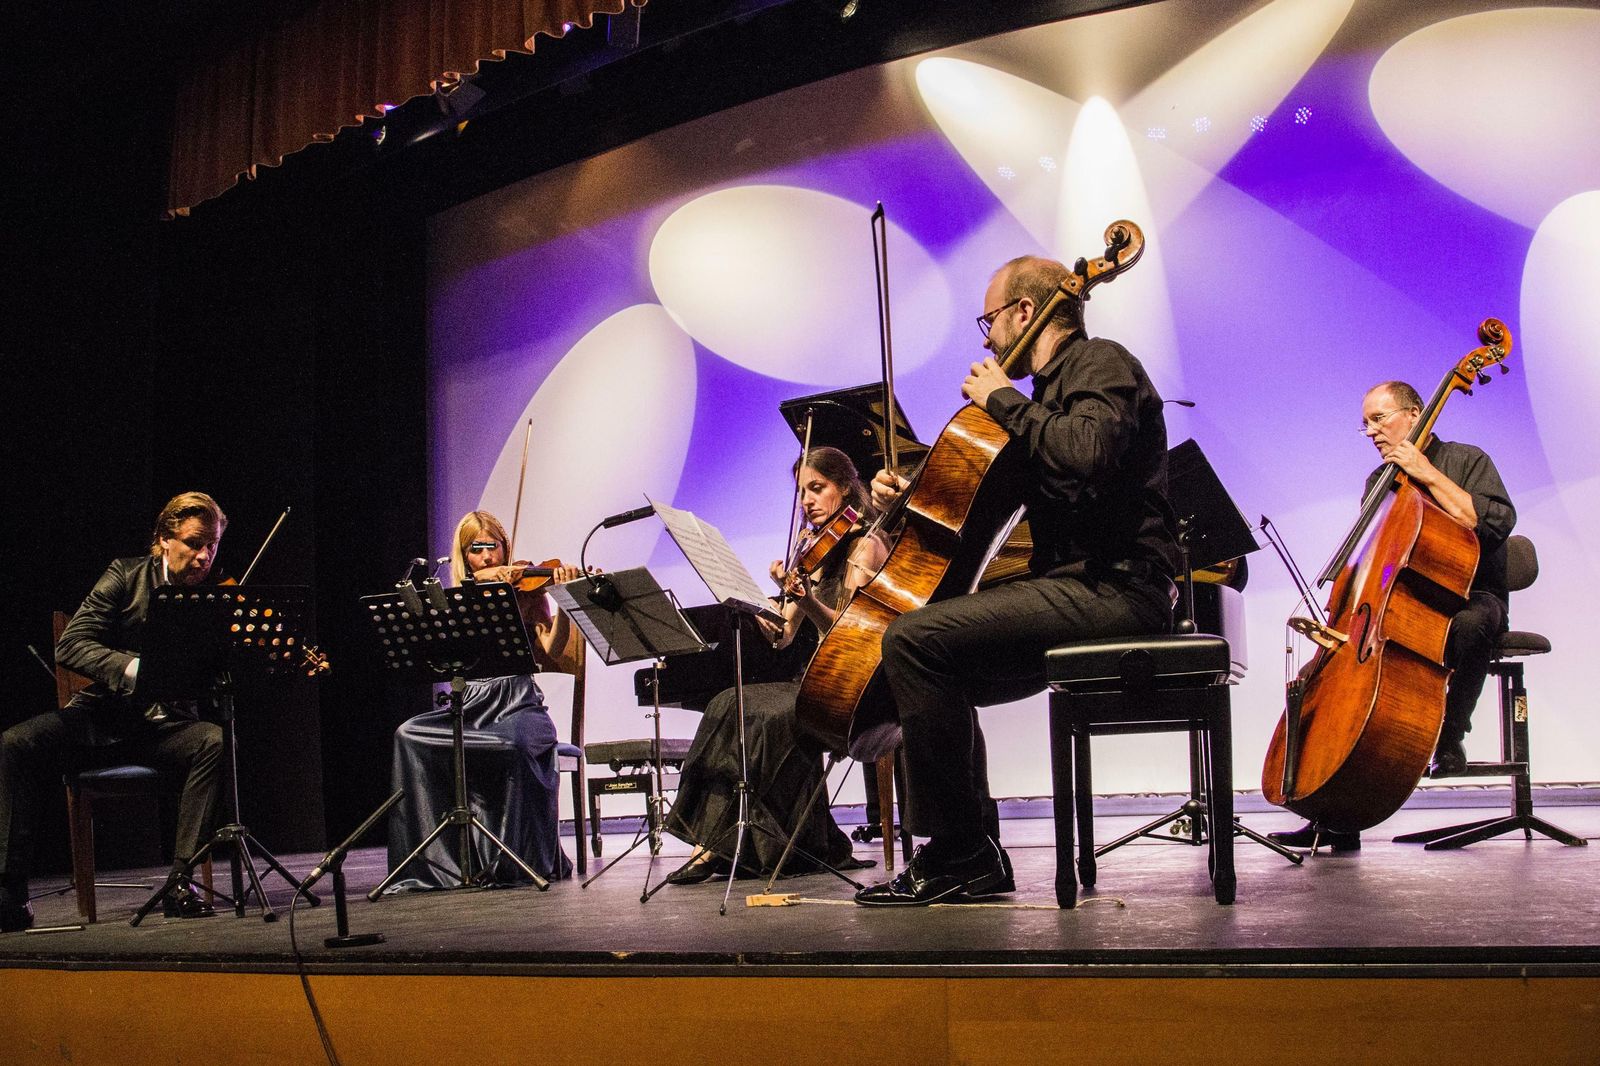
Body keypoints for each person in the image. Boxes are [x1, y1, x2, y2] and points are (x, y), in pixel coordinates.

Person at [854, 255, 1180, 907]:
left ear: (1026, 313)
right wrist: (906, 492)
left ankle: (960, 853)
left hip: (1119, 592)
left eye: (991, 319)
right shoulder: (1038, 404)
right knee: (927, 672)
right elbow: (974, 499)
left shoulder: (1100, 364)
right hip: (1079, 592)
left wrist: (1000, 396)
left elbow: (1085, 453)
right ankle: (972, 849)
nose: (986, 336)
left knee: (915, 643)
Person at [1269, 380, 1516, 852]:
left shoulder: (1467, 460)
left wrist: (1426, 472)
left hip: (1470, 592)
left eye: (1379, 419)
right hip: (1399, 600)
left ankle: (1449, 738)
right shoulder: (1377, 481)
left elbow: (1495, 523)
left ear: (1415, 414)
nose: (1370, 432)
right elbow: (1377, 556)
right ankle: (1333, 815)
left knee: (1470, 625)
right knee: (1326, 680)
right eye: (1365, 423)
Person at [1, 492, 229, 932]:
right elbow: (71, 644)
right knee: (15, 744)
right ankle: (8, 897)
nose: (204, 556)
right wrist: (131, 667)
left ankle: (181, 885)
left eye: (213, 545)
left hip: (164, 730)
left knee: (215, 741)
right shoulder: (125, 575)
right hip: (102, 721)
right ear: (164, 538)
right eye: (195, 543)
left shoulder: (213, 599)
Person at [663, 447, 887, 884]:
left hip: (849, 683)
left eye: (817, 488)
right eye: (801, 491)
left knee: (768, 719)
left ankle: (731, 848)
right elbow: (783, 636)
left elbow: (848, 632)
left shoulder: (865, 544)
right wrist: (765, 608)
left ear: (845, 488)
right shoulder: (813, 552)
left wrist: (806, 599)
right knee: (728, 702)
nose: (806, 500)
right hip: (810, 677)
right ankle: (715, 842)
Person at [384, 511, 583, 889]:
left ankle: (513, 861)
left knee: (515, 743)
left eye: (495, 546)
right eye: (478, 549)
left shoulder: (525, 593)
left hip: (519, 702)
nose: (489, 557)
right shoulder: (453, 600)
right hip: (469, 703)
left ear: (506, 547)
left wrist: (567, 605)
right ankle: (439, 865)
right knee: (408, 734)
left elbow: (551, 650)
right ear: (464, 555)